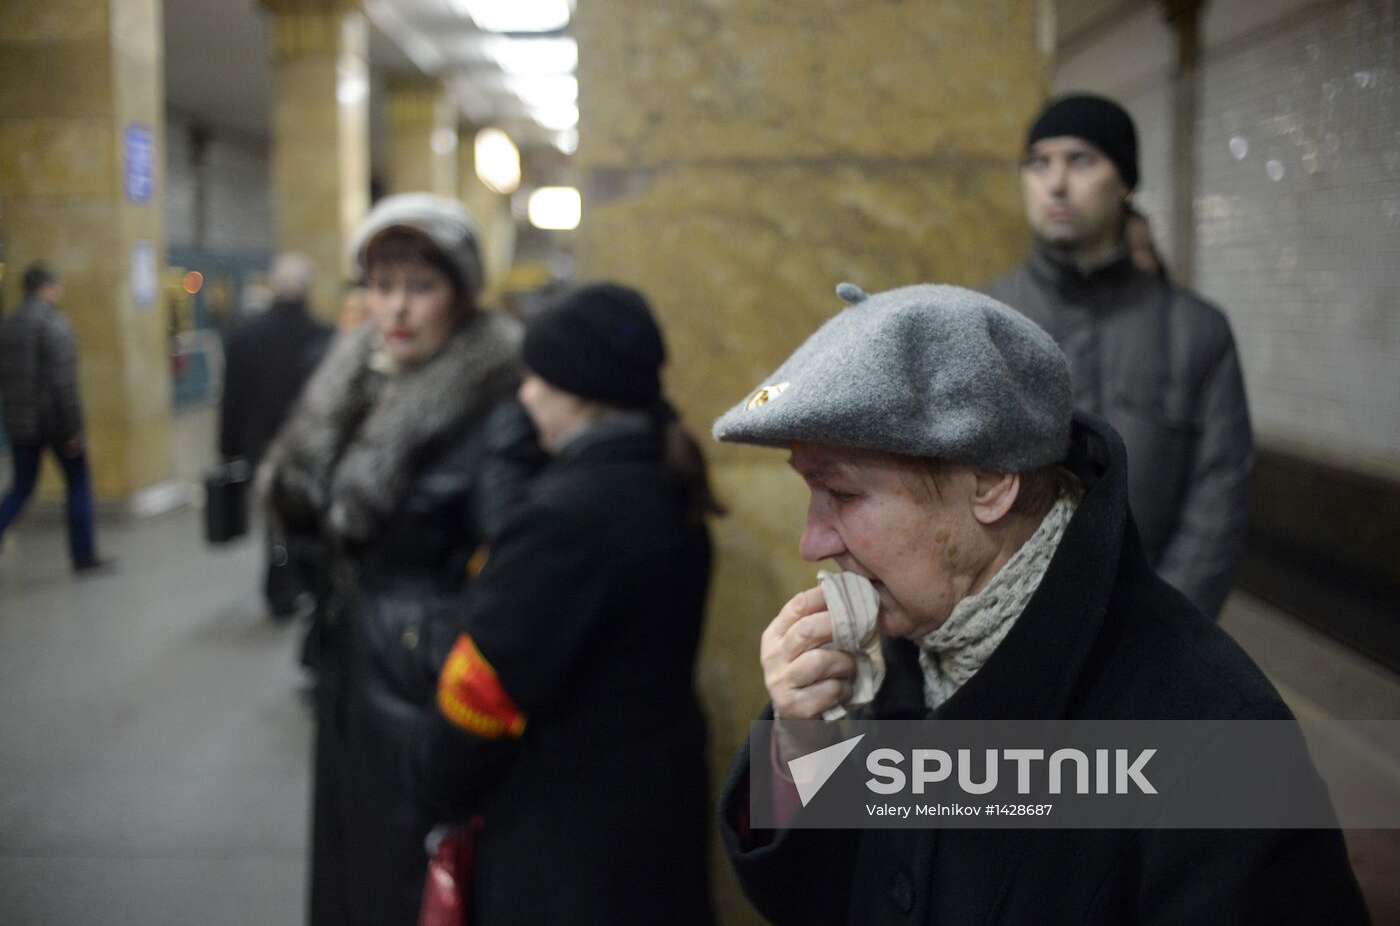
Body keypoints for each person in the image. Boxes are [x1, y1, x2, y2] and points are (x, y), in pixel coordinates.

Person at [713, 282, 1367, 925]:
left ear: (992, 484)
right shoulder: (898, 651)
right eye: (809, 491)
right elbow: (820, 898)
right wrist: (800, 745)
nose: (810, 542)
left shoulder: (1215, 735)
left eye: (845, 495)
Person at [262, 193, 536, 925]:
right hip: (351, 653)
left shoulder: (494, 397)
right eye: (382, 286)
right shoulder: (352, 377)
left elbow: (513, 556)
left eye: (422, 286)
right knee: (348, 850)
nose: (398, 309)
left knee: (405, 864)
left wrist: (443, 640)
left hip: (425, 663)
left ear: (460, 293)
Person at [412, 283, 720, 925]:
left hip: (567, 841)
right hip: (655, 809)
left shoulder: (565, 517)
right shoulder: (666, 483)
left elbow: (484, 688)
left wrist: (436, 788)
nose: (525, 396)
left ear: (579, 389)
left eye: (537, 378)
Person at [984, 93, 1252, 619]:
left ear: (1125, 181)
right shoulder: (981, 320)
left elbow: (1219, 498)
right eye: (1039, 164)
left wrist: (1165, 628)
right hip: (1002, 628)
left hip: (1150, 626)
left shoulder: (1196, 330)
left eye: (1080, 160)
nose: (1056, 183)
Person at [219, 251, 333, 618]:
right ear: (308, 289)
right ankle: (309, 584)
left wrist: (227, 448)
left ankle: (280, 589)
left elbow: (231, 399)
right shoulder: (324, 335)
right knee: (312, 516)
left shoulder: (243, 334)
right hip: (312, 446)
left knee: (275, 522)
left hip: (261, 445)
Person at [0, 263, 107, 571]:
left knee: (21, 486)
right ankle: (83, 555)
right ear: (47, 287)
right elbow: (64, 384)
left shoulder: (7, 325)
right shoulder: (55, 325)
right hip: (56, 423)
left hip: (20, 423)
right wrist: (74, 429)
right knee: (78, 483)